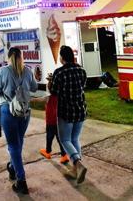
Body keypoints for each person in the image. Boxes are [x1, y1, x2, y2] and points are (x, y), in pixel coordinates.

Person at [0, 47, 38, 194]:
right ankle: (12, 166)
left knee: (13, 145)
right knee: (18, 141)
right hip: (24, 112)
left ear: (9, 57)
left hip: (7, 111)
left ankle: (21, 180)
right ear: (21, 57)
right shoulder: (28, 71)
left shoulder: (2, 71)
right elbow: (34, 88)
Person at [51, 45, 88, 185]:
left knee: (65, 139)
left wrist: (50, 82)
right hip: (80, 109)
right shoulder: (81, 70)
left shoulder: (59, 73)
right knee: (75, 138)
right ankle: (75, 169)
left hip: (66, 111)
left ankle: (78, 164)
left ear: (62, 57)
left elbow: (54, 92)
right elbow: (83, 86)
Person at [39, 72, 68, 163]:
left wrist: (28, 99)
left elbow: (38, 99)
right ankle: (64, 155)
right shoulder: (61, 95)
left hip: (51, 121)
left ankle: (48, 152)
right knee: (60, 138)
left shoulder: (48, 97)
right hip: (59, 120)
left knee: (49, 136)